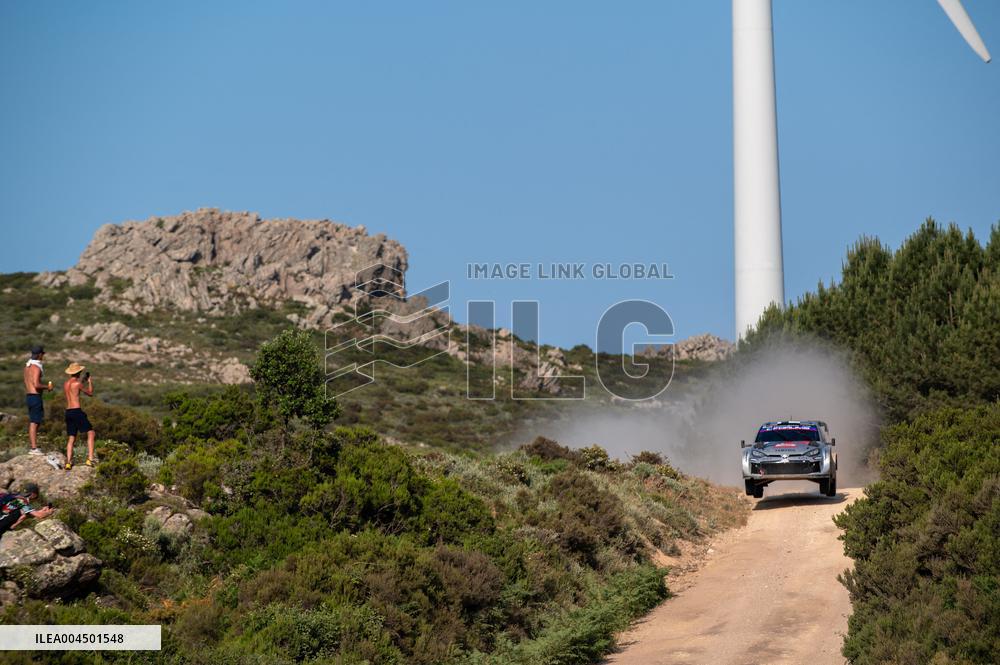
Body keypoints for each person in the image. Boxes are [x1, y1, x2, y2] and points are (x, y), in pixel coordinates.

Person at [63, 363, 96, 471]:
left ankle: (68, 462)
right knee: (91, 432)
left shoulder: (66, 384)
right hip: (77, 411)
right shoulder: (77, 384)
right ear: (78, 372)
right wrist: (90, 382)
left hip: (68, 412)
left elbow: (74, 390)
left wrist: (82, 381)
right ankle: (90, 459)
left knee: (71, 437)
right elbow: (90, 393)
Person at [23, 345, 54, 455]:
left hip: (29, 396)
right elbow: (36, 384)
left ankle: (33, 446)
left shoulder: (27, 366)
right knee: (35, 422)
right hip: (35, 397)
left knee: (35, 421)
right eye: (43, 354)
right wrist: (47, 387)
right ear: (40, 354)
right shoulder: (36, 368)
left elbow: (28, 382)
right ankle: (34, 448)